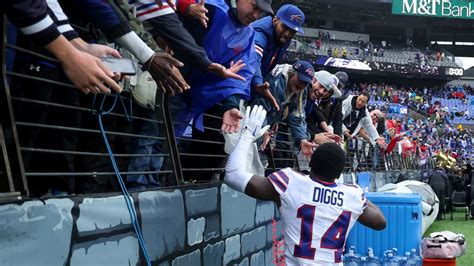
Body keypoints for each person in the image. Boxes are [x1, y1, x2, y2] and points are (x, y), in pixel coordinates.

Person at [225, 105, 386, 265]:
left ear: (311, 162)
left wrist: (247, 135)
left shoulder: (291, 182)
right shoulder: (353, 195)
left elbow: (233, 175)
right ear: (338, 174)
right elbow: (380, 222)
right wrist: (353, 196)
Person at [251, 4, 304, 110]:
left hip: (252, 86)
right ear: (275, 20)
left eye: (292, 31)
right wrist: (257, 82)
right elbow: (254, 58)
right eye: (285, 27)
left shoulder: (282, 39)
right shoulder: (261, 32)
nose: (287, 34)